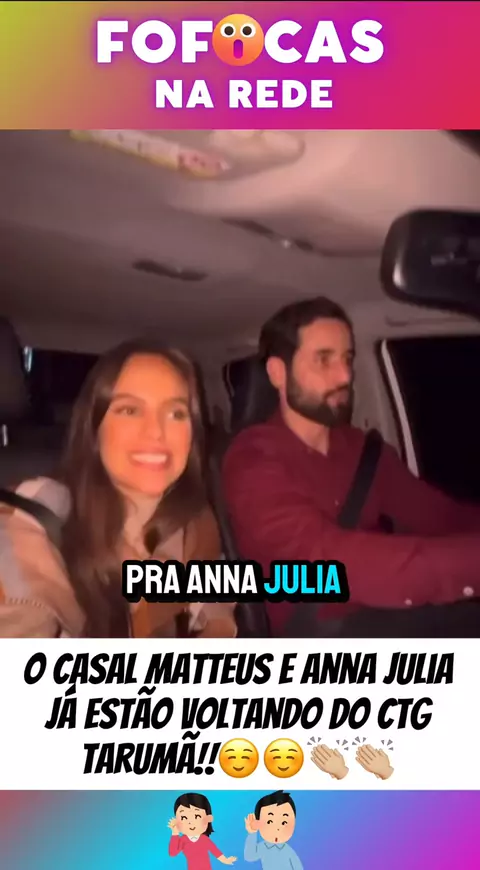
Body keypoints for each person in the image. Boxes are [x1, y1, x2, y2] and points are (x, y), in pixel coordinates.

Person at [222, 296, 480, 637]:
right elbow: (328, 566)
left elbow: (439, 515)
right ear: (278, 373)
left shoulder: (363, 450)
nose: (345, 375)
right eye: (324, 359)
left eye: (347, 358)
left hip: (388, 608)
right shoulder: (252, 460)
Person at [0, 340, 236, 638]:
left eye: (176, 413)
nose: (156, 432)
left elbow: (216, 611)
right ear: (94, 427)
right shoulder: (35, 512)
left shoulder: (194, 520)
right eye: (130, 410)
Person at [168, 792, 237, 867]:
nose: (190, 822)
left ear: (209, 818)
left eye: (197, 816)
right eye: (184, 817)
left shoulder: (204, 840)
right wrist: (175, 833)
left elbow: (216, 852)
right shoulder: (183, 840)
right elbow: (173, 853)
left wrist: (226, 860)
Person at [244, 791, 303, 869]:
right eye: (269, 822)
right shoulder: (264, 847)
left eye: (284, 822)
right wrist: (252, 833)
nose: (277, 828)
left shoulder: (288, 851)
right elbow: (249, 856)